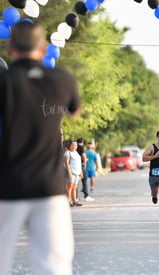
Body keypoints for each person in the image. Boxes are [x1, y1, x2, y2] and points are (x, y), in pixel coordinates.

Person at [0, 21, 81, 274]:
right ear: (44, 48)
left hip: (7, 186)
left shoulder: (4, 81)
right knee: (53, 267)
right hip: (49, 189)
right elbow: (75, 110)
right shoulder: (61, 80)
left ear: (11, 48)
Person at [64, 141, 83, 207]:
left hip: (77, 173)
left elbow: (79, 163)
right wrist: (69, 172)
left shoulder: (77, 153)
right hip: (71, 172)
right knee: (69, 188)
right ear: (70, 145)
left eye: (76, 145)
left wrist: (81, 172)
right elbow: (66, 163)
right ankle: (68, 202)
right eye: (73, 145)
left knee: (75, 188)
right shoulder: (68, 153)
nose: (74, 146)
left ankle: (74, 201)